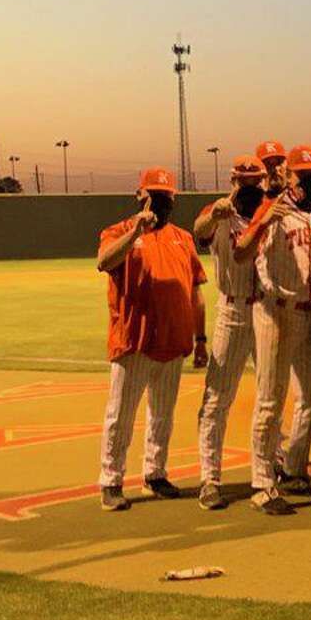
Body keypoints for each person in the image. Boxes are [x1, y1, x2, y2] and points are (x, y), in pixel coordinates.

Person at [95, 167, 207, 511]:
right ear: (139, 196)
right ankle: (111, 481)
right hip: (135, 340)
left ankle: (155, 473)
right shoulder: (118, 231)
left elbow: (195, 290)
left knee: (163, 414)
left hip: (173, 341)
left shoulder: (183, 237)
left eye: (165, 196)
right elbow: (104, 261)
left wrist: (200, 339)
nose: (159, 202)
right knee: (121, 414)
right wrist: (135, 234)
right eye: (153, 195)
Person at [236, 144, 311, 514]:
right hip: (275, 312)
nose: (307, 180)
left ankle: (292, 468)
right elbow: (242, 252)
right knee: (270, 400)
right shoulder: (272, 208)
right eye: (301, 174)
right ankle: (262, 483)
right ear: (289, 177)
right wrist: (263, 221)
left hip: (308, 313)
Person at [192, 155, 267, 510]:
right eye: (244, 181)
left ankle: (268, 475)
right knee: (218, 397)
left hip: (268, 310)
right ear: (233, 180)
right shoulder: (220, 212)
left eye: (257, 181)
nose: (250, 187)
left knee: (270, 396)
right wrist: (214, 215)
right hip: (233, 308)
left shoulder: (270, 210)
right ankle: (210, 477)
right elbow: (200, 231)